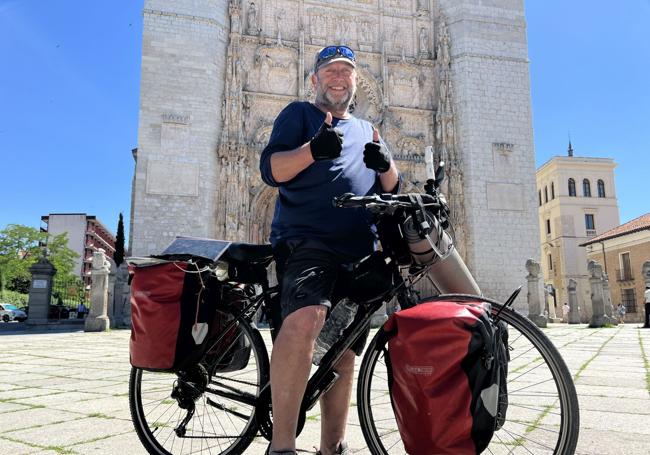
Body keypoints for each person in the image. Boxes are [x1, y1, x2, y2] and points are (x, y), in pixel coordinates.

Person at [259, 45, 399, 455]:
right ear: (315, 79)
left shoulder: (368, 129)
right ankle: (281, 446)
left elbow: (393, 190)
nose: (338, 77)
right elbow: (272, 171)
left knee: (345, 349)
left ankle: (331, 448)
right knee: (306, 319)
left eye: (346, 71)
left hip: (357, 248)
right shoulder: (298, 115)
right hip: (307, 241)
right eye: (330, 71)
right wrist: (312, 150)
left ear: (356, 81)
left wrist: (386, 163)